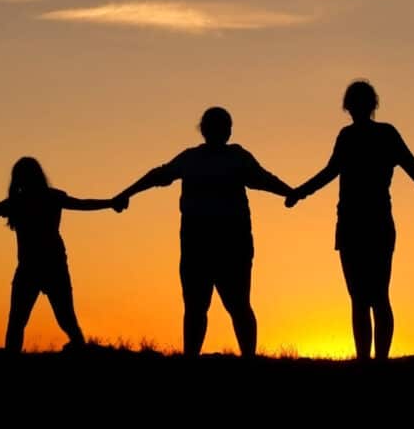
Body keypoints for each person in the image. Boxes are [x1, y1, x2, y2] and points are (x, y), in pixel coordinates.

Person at [286, 80, 414, 361]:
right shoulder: (368, 136)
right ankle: (371, 361)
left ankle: (372, 360)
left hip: (365, 224)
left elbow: (413, 168)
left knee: (368, 297)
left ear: (352, 106)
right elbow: (333, 172)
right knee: (371, 296)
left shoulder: (372, 135)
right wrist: (299, 193)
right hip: (363, 224)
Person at [114, 107, 291, 358]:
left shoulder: (215, 158)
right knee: (212, 306)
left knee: (227, 305)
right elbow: (158, 175)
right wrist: (291, 193)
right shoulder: (201, 159)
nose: (221, 131)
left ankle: (226, 359)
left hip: (224, 244)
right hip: (208, 244)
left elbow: (263, 179)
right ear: (212, 130)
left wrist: (290, 192)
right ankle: (208, 359)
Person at [0, 157, 123, 352]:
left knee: (37, 320)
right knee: (53, 319)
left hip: (44, 267)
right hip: (41, 267)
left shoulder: (29, 201)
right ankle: (76, 348)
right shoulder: (35, 200)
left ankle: (74, 349)